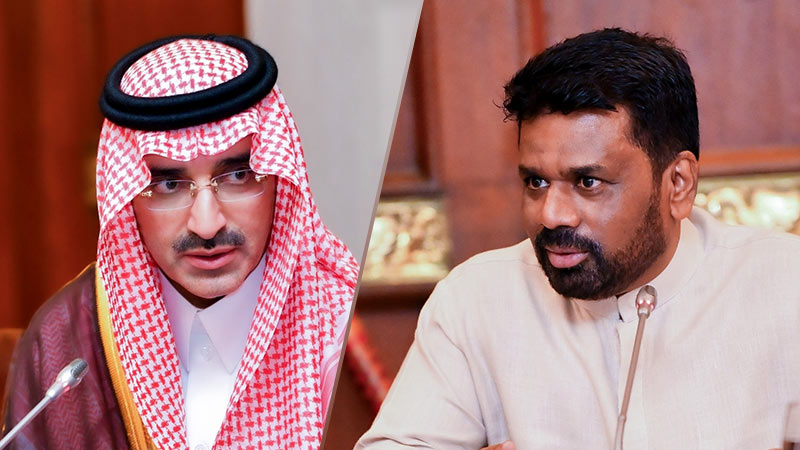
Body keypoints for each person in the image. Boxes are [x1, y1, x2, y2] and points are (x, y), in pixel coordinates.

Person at [355, 28, 800, 449]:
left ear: (678, 183)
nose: (551, 215)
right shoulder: (476, 300)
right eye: (536, 182)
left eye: (588, 182)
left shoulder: (785, 286)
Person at [1, 35, 358, 450]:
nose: (207, 225)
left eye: (238, 176)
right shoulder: (67, 338)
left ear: (279, 178)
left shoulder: (340, 326)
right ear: (125, 197)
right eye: (169, 185)